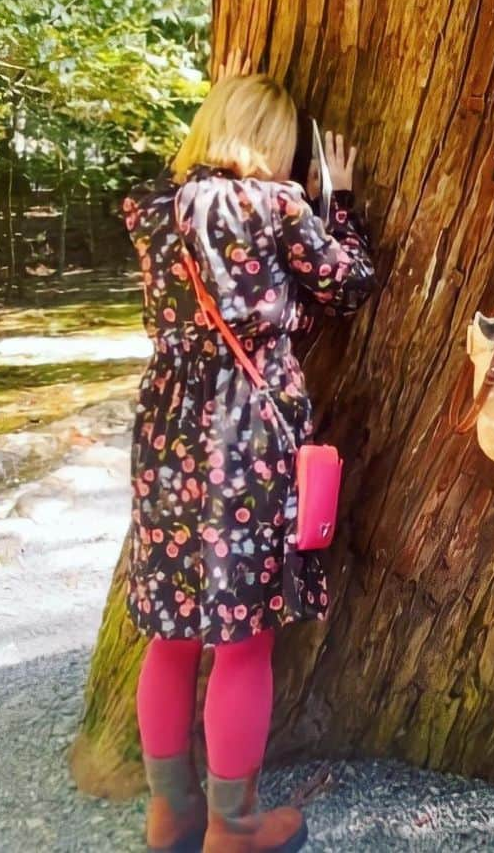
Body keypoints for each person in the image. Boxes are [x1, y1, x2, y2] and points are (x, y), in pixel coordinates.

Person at [122, 58, 375, 853]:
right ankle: (234, 829)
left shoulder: (155, 212)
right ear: (276, 146)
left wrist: (225, 98)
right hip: (247, 438)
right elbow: (350, 285)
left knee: (171, 630)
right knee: (242, 635)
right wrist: (342, 203)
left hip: (166, 431)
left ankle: (170, 814)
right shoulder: (276, 207)